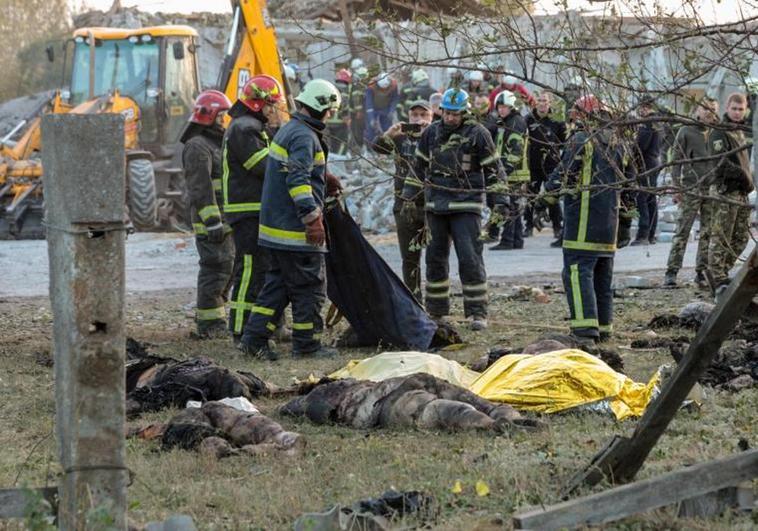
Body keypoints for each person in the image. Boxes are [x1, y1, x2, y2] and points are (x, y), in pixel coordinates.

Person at [239, 79, 344, 359]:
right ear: (323, 108)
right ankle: (307, 345)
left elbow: (296, 171)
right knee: (310, 287)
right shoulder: (304, 136)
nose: (331, 116)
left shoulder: (290, 130)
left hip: (275, 230)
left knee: (278, 285)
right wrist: (312, 218)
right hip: (295, 231)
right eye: (330, 111)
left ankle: (254, 339)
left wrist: (323, 176)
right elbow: (297, 180)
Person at [401, 88, 505, 330]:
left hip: (466, 206)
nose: (450, 118)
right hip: (436, 205)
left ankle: (477, 313)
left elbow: (494, 171)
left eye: (456, 114)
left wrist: (500, 203)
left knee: (470, 259)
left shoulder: (478, 134)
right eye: (447, 113)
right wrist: (408, 197)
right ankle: (436, 312)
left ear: (465, 112)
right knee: (435, 259)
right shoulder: (431, 133)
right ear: (442, 111)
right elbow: (418, 167)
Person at [545, 95, 621, 342]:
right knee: (602, 278)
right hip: (609, 227)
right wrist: (628, 224)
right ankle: (604, 328)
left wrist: (545, 197)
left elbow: (565, 175)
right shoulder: (618, 143)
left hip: (583, 225)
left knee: (577, 275)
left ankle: (585, 332)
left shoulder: (581, 140)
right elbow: (631, 186)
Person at [222, 75, 283, 342]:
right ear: (261, 104)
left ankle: (260, 326)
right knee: (249, 269)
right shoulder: (245, 128)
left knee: (261, 269)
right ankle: (239, 329)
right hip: (248, 210)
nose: (276, 110)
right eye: (273, 105)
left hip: (255, 209)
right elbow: (261, 165)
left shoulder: (250, 125)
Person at [181, 90, 234, 339]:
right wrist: (212, 221)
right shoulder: (197, 147)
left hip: (226, 219)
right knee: (215, 269)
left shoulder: (217, 143)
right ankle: (210, 326)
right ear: (209, 115)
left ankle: (218, 320)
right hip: (210, 222)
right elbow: (200, 189)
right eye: (222, 115)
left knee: (228, 268)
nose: (225, 120)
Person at [373, 100, 434, 299]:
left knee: (435, 257)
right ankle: (415, 300)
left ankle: (436, 301)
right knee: (409, 258)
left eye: (423, 115)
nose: (418, 119)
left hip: (432, 205)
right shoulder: (399, 139)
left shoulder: (438, 136)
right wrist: (388, 134)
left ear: (432, 117)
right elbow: (378, 149)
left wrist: (431, 133)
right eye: (414, 115)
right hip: (404, 204)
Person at [664, 98, 719, 288]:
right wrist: (676, 186)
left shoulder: (718, 132)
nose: (708, 112)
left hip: (712, 189)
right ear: (697, 109)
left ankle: (701, 271)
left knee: (708, 232)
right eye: (705, 108)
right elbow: (676, 159)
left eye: (712, 109)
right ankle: (671, 272)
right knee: (682, 230)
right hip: (691, 187)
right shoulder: (685, 131)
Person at [708, 92, 754, 297]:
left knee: (741, 238)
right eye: (734, 109)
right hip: (725, 191)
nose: (737, 113)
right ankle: (717, 279)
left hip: (741, 193)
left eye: (741, 109)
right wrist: (744, 177)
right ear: (727, 108)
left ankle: (722, 271)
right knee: (721, 236)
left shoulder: (740, 132)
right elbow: (720, 162)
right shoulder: (720, 131)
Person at [486, 90, 529, 251]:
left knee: (509, 207)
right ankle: (517, 240)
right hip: (512, 172)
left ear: (512, 108)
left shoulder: (515, 122)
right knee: (515, 207)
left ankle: (507, 240)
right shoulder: (505, 122)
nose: (501, 110)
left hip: (514, 173)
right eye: (499, 107)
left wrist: (504, 171)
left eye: (505, 107)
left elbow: (516, 151)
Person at [524, 91, 567, 241]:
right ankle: (528, 226)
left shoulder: (557, 120)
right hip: (533, 164)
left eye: (545, 101)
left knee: (551, 196)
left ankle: (557, 227)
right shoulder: (528, 119)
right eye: (539, 100)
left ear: (550, 103)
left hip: (551, 165)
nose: (542, 103)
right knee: (531, 195)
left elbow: (564, 142)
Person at [631, 96, 662, 245]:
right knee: (650, 199)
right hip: (652, 162)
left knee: (642, 198)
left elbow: (641, 145)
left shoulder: (648, 122)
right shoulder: (656, 121)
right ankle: (650, 233)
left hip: (646, 163)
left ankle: (643, 234)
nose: (640, 110)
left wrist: (631, 147)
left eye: (642, 107)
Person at [364, 72, 399, 145]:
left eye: (386, 89)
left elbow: (394, 99)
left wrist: (391, 111)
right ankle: (371, 146)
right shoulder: (371, 86)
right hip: (373, 108)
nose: (384, 91)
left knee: (387, 127)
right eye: (382, 89)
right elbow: (369, 103)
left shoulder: (393, 85)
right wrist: (371, 119)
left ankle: (388, 145)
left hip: (385, 108)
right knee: (371, 128)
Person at [325, 68, 352, 155]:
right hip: (340, 122)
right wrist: (346, 116)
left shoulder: (331, 89)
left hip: (329, 122)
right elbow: (344, 106)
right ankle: (340, 159)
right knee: (342, 143)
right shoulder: (345, 91)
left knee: (332, 143)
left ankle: (333, 158)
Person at [350, 66, 369, 153]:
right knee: (358, 130)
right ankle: (360, 147)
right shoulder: (358, 87)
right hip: (357, 114)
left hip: (362, 113)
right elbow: (356, 100)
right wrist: (359, 111)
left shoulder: (362, 86)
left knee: (360, 130)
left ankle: (362, 147)